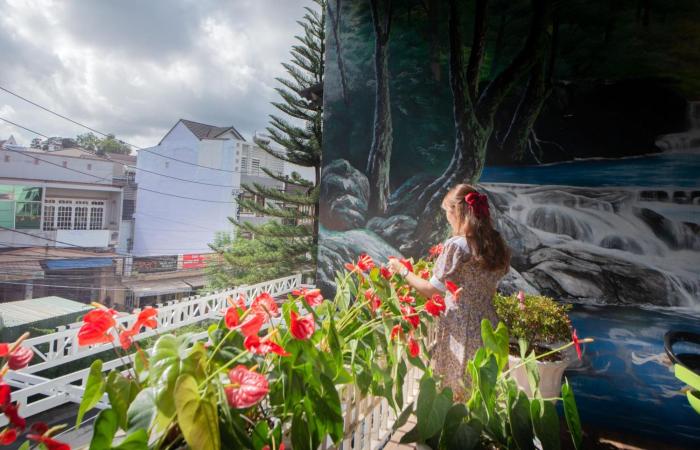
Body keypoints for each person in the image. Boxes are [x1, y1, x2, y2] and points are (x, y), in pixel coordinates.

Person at [388, 184, 511, 399]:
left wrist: (402, 271)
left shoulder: (457, 246)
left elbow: (432, 291)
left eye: (447, 211)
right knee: (480, 393)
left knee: (456, 391)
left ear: (458, 211)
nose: (447, 218)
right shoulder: (496, 244)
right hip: (488, 326)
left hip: (460, 327)